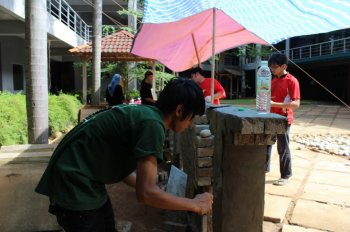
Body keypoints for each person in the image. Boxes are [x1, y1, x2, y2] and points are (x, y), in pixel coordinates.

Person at [35, 78, 213, 231]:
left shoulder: (145, 114)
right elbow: (145, 194)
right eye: (192, 118)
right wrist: (195, 204)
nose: (190, 125)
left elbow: (123, 169)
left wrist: (159, 191)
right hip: (74, 183)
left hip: (82, 178)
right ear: (179, 110)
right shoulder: (153, 125)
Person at [266, 53, 301, 186]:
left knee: (283, 148)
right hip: (271, 117)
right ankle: (264, 168)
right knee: (266, 144)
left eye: (274, 67)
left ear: (284, 66)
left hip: (283, 119)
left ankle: (286, 175)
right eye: (270, 67)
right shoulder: (273, 80)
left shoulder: (292, 81)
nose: (272, 69)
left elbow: (296, 104)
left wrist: (275, 104)